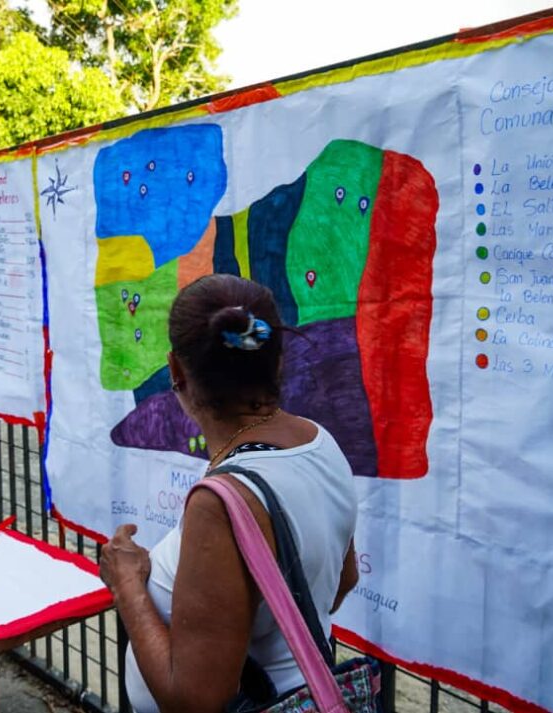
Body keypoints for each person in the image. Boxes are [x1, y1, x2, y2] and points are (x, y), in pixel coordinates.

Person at [99, 274, 359, 713]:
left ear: (176, 371)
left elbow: (196, 701)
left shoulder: (220, 502)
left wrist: (127, 586)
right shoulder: (319, 442)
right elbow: (342, 580)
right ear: (278, 361)